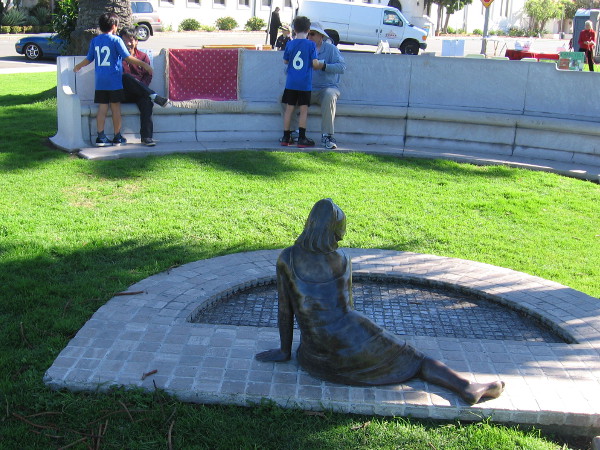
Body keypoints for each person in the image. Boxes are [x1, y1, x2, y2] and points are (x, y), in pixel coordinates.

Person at [256, 198, 505, 405]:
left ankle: (466, 386)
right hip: (350, 336)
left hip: (315, 353)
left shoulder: (287, 258)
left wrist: (284, 351)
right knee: (415, 359)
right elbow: (347, 308)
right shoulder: (343, 258)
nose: (339, 241)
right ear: (332, 233)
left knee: (395, 353)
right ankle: (466, 386)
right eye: (337, 235)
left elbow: (285, 311)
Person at [74, 13, 152, 147]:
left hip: (100, 82)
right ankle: (117, 137)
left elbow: (89, 58)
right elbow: (127, 57)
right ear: (114, 26)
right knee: (116, 108)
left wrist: (79, 66)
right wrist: (144, 64)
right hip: (114, 80)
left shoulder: (95, 40)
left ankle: (101, 137)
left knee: (102, 108)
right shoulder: (116, 40)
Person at [287, 22, 346, 150]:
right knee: (284, 97)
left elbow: (342, 67)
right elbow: (288, 67)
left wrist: (324, 66)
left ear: (321, 36)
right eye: (308, 34)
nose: (309, 37)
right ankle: (294, 133)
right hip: (304, 88)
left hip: (325, 88)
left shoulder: (331, 49)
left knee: (330, 95)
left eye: (312, 34)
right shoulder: (301, 48)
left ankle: (327, 136)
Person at [119, 28, 171, 147]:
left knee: (147, 102)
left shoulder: (143, 56)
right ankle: (155, 96)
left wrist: (140, 88)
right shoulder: (117, 56)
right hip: (123, 93)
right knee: (126, 77)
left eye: (131, 40)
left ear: (136, 41)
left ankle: (146, 137)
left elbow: (148, 75)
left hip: (139, 92)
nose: (128, 43)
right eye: (124, 40)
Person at [280, 16, 320, 148]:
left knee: (289, 109)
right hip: (304, 83)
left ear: (294, 29)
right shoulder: (311, 45)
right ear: (308, 30)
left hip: (291, 82)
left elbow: (285, 61)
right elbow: (314, 63)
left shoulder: (290, 43)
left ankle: (286, 137)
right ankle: (302, 138)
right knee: (303, 110)